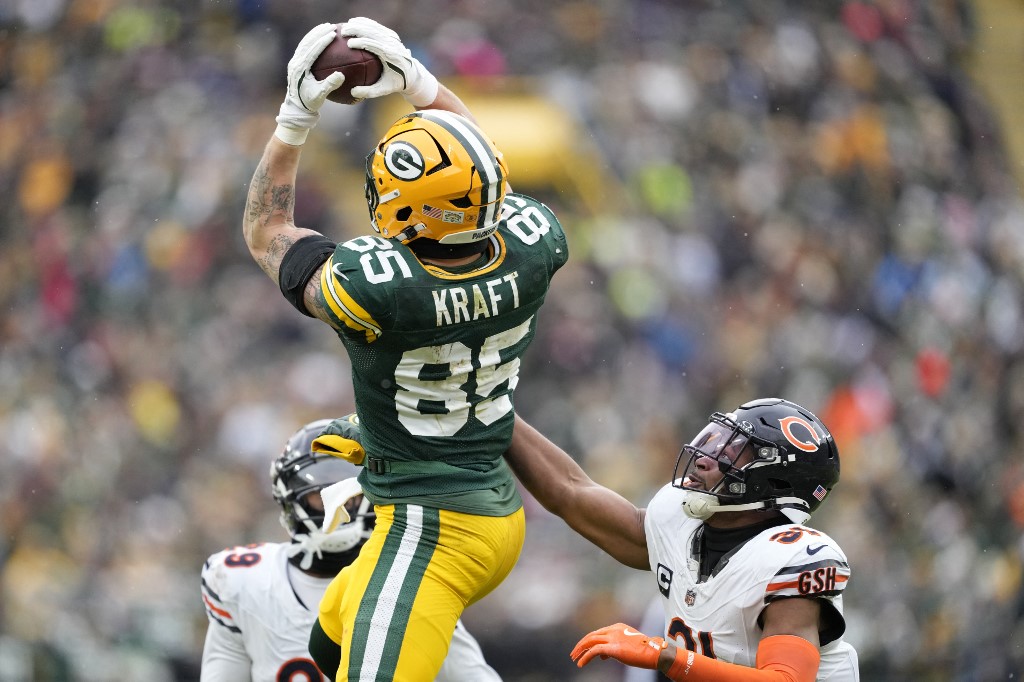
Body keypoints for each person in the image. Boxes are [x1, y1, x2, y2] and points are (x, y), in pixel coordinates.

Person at [241, 17, 568, 681]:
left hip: (431, 529)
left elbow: (266, 229)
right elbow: (484, 177)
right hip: (492, 506)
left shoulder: (379, 289)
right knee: (329, 645)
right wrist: (420, 84)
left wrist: (294, 118)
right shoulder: (536, 243)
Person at [505, 398, 859, 681]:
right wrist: (496, 414)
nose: (708, 456)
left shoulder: (791, 558)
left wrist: (665, 656)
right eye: (721, 439)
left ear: (773, 483)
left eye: (734, 451)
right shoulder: (678, 522)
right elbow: (570, 492)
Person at [199, 418, 502, 682]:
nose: (338, 507)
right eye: (321, 494)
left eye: (348, 493)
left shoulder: (407, 578)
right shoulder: (243, 583)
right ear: (290, 499)